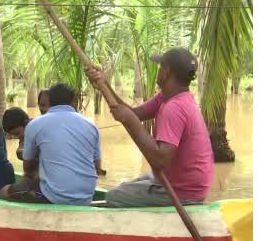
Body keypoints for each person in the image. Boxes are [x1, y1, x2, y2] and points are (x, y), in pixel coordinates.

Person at [88, 48, 213, 208]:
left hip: (181, 192)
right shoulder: (167, 96)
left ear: (166, 72)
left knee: (114, 196)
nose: (158, 71)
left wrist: (130, 121)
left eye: (160, 67)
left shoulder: (174, 107)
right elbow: (135, 113)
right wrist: (104, 83)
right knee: (123, 187)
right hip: (175, 181)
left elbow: (160, 161)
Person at [0, 83, 100, 205]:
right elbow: (97, 167)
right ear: (74, 101)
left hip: (54, 196)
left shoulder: (35, 125)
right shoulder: (91, 125)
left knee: (4, 192)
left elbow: (27, 167)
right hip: (86, 195)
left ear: (50, 101)